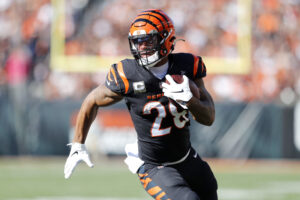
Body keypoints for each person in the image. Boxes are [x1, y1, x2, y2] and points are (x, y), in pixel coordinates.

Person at [64, 9, 218, 200]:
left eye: (148, 40)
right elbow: (92, 100)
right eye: (137, 42)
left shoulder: (187, 66)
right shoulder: (127, 74)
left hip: (186, 158)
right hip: (153, 165)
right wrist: (78, 143)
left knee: (209, 190)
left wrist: (190, 100)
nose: (141, 47)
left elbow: (209, 117)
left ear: (166, 39)